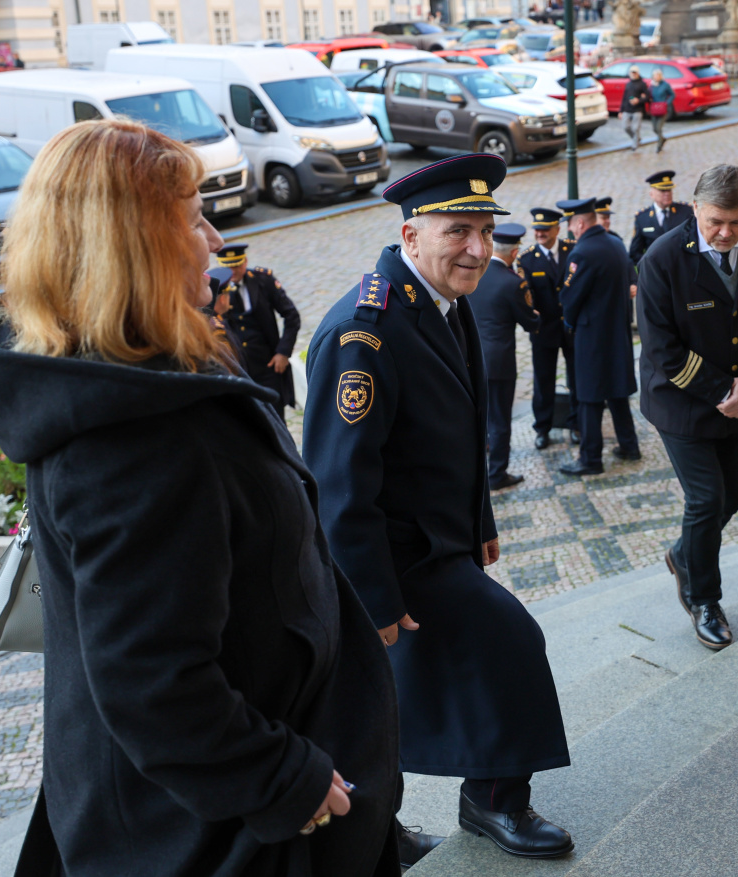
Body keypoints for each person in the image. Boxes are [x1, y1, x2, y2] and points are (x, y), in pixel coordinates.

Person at [0, 119, 401, 877]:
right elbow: (152, 682)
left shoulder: (143, 365)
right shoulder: (136, 437)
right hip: (219, 837)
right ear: (134, 248)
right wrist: (284, 781)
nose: (211, 234)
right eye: (193, 217)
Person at [302, 154, 573, 860]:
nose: (478, 248)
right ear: (411, 233)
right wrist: (375, 602)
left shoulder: (439, 299)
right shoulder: (366, 332)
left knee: (387, 701)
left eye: (484, 230)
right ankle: (480, 805)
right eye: (459, 231)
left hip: (441, 542)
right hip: (393, 558)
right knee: (503, 644)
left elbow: (460, 425)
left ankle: (463, 805)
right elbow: (340, 487)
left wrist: (480, 524)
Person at [637, 164, 738, 650]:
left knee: (734, 499)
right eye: (715, 223)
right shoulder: (662, 259)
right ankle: (704, 599)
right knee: (706, 501)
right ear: (696, 208)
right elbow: (661, 348)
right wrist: (721, 392)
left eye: (737, 222)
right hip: (682, 402)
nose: (726, 233)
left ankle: (684, 553)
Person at [557, 196, 641, 476]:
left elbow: (570, 298)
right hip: (617, 332)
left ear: (580, 223)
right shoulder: (615, 243)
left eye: (570, 224)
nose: (570, 230)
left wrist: (569, 323)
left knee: (589, 398)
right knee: (617, 391)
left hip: (592, 336)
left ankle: (590, 459)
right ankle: (629, 445)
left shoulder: (583, 252)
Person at [471, 221, 539, 490]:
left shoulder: (475, 274)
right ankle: (497, 474)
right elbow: (529, 322)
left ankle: (476, 469)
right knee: (500, 420)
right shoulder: (513, 283)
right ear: (514, 253)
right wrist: (537, 318)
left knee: (478, 417)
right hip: (499, 364)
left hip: (473, 358)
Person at [216, 242, 301, 415]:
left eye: (237, 265)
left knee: (276, 416)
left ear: (245, 262)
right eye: (228, 267)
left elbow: (291, 315)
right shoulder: (216, 289)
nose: (233, 272)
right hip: (240, 369)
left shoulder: (263, 280)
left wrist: (283, 352)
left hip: (268, 365)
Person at [518, 206, 579, 448]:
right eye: (537, 229)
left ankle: (576, 424)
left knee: (576, 378)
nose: (540, 233)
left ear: (557, 228)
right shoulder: (526, 258)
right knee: (543, 381)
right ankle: (542, 428)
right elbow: (526, 296)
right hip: (543, 330)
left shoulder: (572, 251)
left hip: (572, 327)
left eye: (545, 229)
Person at [629, 170, 695, 264]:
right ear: (651, 194)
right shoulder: (642, 218)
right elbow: (635, 252)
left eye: (669, 189)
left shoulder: (686, 211)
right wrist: (649, 267)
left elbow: (695, 240)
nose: (667, 193)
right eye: (662, 190)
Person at [621, 66, 651, 152]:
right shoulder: (628, 84)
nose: (633, 74)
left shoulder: (642, 84)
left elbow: (647, 97)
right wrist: (621, 110)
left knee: (635, 128)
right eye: (632, 72)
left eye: (635, 72)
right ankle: (636, 138)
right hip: (627, 109)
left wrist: (638, 100)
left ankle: (634, 145)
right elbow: (625, 97)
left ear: (638, 73)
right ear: (629, 73)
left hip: (638, 109)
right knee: (626, 127)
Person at [648, 68, 674, 153]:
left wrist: (667, 103)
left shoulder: (665, 85)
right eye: (655, 76)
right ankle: (662, 139)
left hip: (663, 109)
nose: (656, 77)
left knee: (658, 128)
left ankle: (659, 145)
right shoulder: (651, 86)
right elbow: (649, 96)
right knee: (654, 128)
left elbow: (672, 95)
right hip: (654, 109)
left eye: (658, 75)